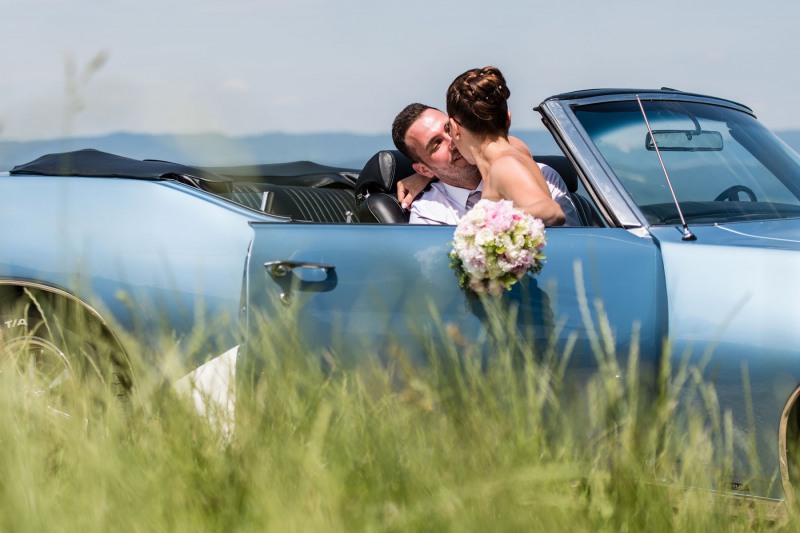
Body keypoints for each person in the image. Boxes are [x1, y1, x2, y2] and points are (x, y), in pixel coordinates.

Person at [391, 103, 580, 226]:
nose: (452, 141)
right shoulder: (430, 213)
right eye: (436, 144)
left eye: (449, 128)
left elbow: (573, 247)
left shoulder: (542, 176)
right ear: (424, 169)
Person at [440, 65, 567, 226]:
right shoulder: (514, 149)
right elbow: (502, 142)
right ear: (508, 119)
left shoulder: (504, 166)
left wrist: (487, 223)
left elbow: (552, 211)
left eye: (447, 129)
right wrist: (423, 176)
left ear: (455, 128)